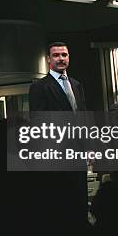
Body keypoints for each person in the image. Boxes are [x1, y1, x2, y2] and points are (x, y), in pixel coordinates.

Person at [28, 42, 88, 225]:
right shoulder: (40, 86)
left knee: (80, 198)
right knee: (61, 202)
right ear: (48, 60)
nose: (61, 58)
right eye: (56, 55)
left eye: (64, 55)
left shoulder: (76, 85)